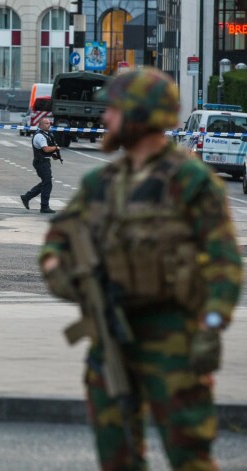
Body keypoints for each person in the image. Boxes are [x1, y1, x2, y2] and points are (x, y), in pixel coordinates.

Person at [39, 67, 242, 471]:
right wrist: (73, 280)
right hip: (111, 335)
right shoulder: (102, 181)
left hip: (175, 341)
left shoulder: (190, 180)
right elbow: (57, 243)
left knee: (190, 456)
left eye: (113, 110)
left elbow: (224, 262)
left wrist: (212, 324)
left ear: (139, 114)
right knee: (117, 457)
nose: (105, 118)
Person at [20, 118, 60, 214]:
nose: (48, 125)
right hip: (40, 162)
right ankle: (44, 206)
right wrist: (56, 148)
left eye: (49, 123)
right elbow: (46, 149)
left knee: (45, 182)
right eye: (46, 123)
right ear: (41, 125)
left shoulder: (46, 134)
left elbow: (46, 151)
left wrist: (54, 154)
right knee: (47, 183)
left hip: (44, 161)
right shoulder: (40, 136)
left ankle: (26, 197)